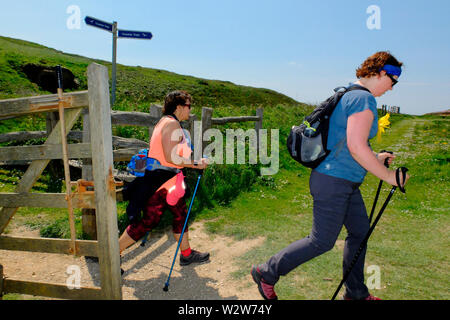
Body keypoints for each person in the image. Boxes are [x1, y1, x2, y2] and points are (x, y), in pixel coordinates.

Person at [251, 51, 410, 300]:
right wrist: (389, 176)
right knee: (321, 241)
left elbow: (346, 144)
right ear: (381, 73)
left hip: (342, 180)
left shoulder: (347, 93)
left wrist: (375, 158)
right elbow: (357, 147)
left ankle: (356, 293)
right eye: (393, 81)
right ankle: (266, 272)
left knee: (359, 232)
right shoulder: (363, 100)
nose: (392, 88)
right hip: (334, 182)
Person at [119, 90, 210, 271]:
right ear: (178, 107)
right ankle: (112, 254)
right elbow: (171, 158)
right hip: (162, 181)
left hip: (166, 180)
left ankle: (186, 254)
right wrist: (196, 164)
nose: (190, 110)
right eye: (188, 106)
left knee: (180, 215)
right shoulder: (171, 125)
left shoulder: (166, 123)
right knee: (149, 221)